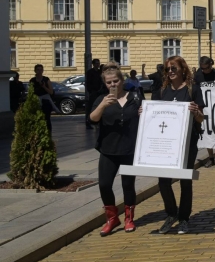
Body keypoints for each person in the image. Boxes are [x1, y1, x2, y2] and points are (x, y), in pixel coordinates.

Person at [152, 56, 206, 235]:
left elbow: (201, 119)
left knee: (185, 180)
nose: (170, 72)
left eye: (174, 68)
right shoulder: (161, 91)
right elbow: (154, 116)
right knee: (163, 180)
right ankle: (171, 214)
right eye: (167, 69)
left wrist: (196, 112)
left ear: (183, 69)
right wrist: (144, 113)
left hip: (188, 142)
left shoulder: (193, 90)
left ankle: (184, 218)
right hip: (166, 144)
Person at [89, 62, 143, 236]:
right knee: (104, 185)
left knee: (128, 185)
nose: (113, 85)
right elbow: (92, 119)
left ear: (122, 80)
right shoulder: (101, 99)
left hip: (129, 149)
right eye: (109, 82)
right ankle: (112, 218)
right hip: (108, 150)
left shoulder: (135, 98)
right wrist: (103, 105)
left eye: (115, 81)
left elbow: (148, 117)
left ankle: (129, 218)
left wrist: (144, 113)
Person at [194, 56, 215, 168]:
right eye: (202, 68)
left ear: (211, 65)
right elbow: (195, 90)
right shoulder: (198, 76)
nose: (204, 70)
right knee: (206, 133)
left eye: (206, 68)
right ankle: (211, 157)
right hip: (204, 109)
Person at [30, 64, 56, 133]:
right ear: (35, 71)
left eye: (41, 70)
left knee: (47, 119)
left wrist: (44, 86)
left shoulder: (46, 79)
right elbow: (31, 92)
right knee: (37, 119)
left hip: (46, 102)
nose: (39, 71)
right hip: (36, 102)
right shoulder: (32, 80)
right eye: (38, 70)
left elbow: (51, 92)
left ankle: (48, 133)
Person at [85, 59, 103, 129]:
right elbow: (88, 83)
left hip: (99, 92)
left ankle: (98, 122)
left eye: (98, 63)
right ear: (93, 64)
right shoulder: (90, 72)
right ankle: (88, 122)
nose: (97, 65)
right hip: (93, 92)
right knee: (91, 107)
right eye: (96, 63)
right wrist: (91, 91)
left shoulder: (99, 72)